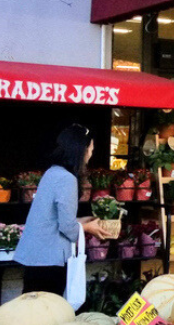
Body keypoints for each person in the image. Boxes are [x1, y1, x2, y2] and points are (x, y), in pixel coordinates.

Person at [14, 124, 108, 294]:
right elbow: (66, 227)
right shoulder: (67, 179)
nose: (91, 154)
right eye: (91, 149)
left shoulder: (52, 172)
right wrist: (87, 228)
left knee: (30, 310)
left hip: (36, 256)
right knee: (48, 310)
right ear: (81, 150)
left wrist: (81, 221)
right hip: (49, 259)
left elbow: (53, 219)